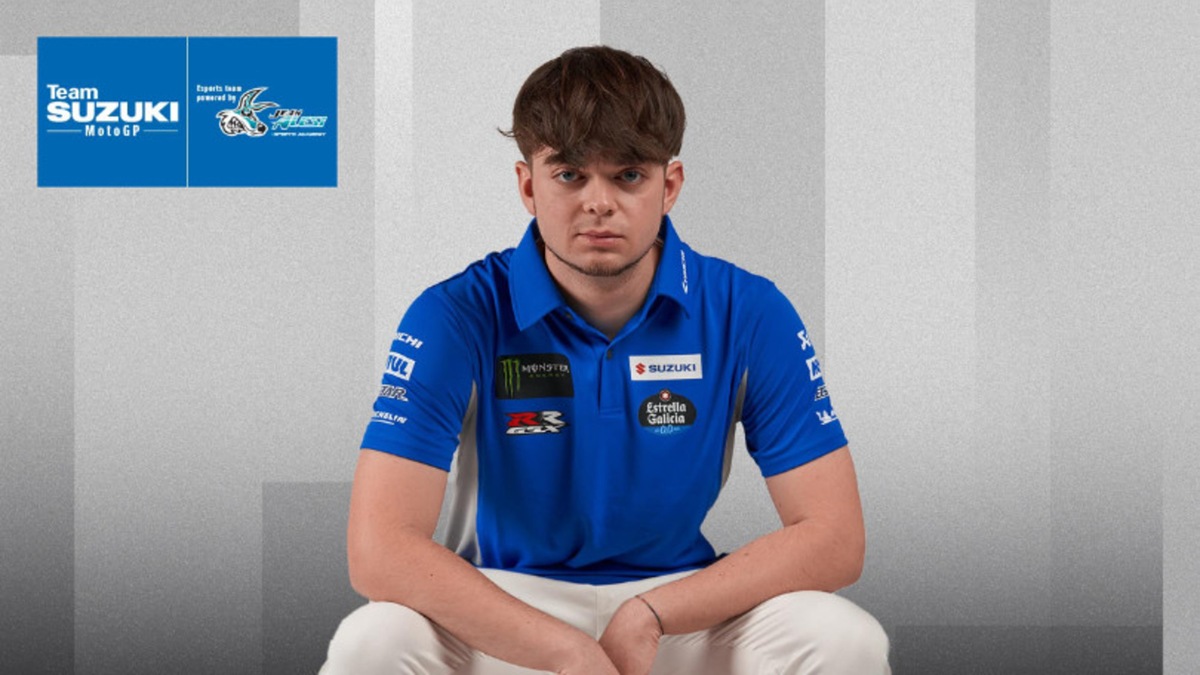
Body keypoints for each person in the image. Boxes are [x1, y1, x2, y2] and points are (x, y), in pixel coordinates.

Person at [320, 45, 890, 675]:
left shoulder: (749, 310)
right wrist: (569, 652)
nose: (599, 202)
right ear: (528, 185)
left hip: (675, 608)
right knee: (372, 640)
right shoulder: (454, 314)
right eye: (570, 175)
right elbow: (378, 549)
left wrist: (651, 614)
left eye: (628, 175)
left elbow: (835, 537)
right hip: (503, 610)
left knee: (843, 638)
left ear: (669, 185)